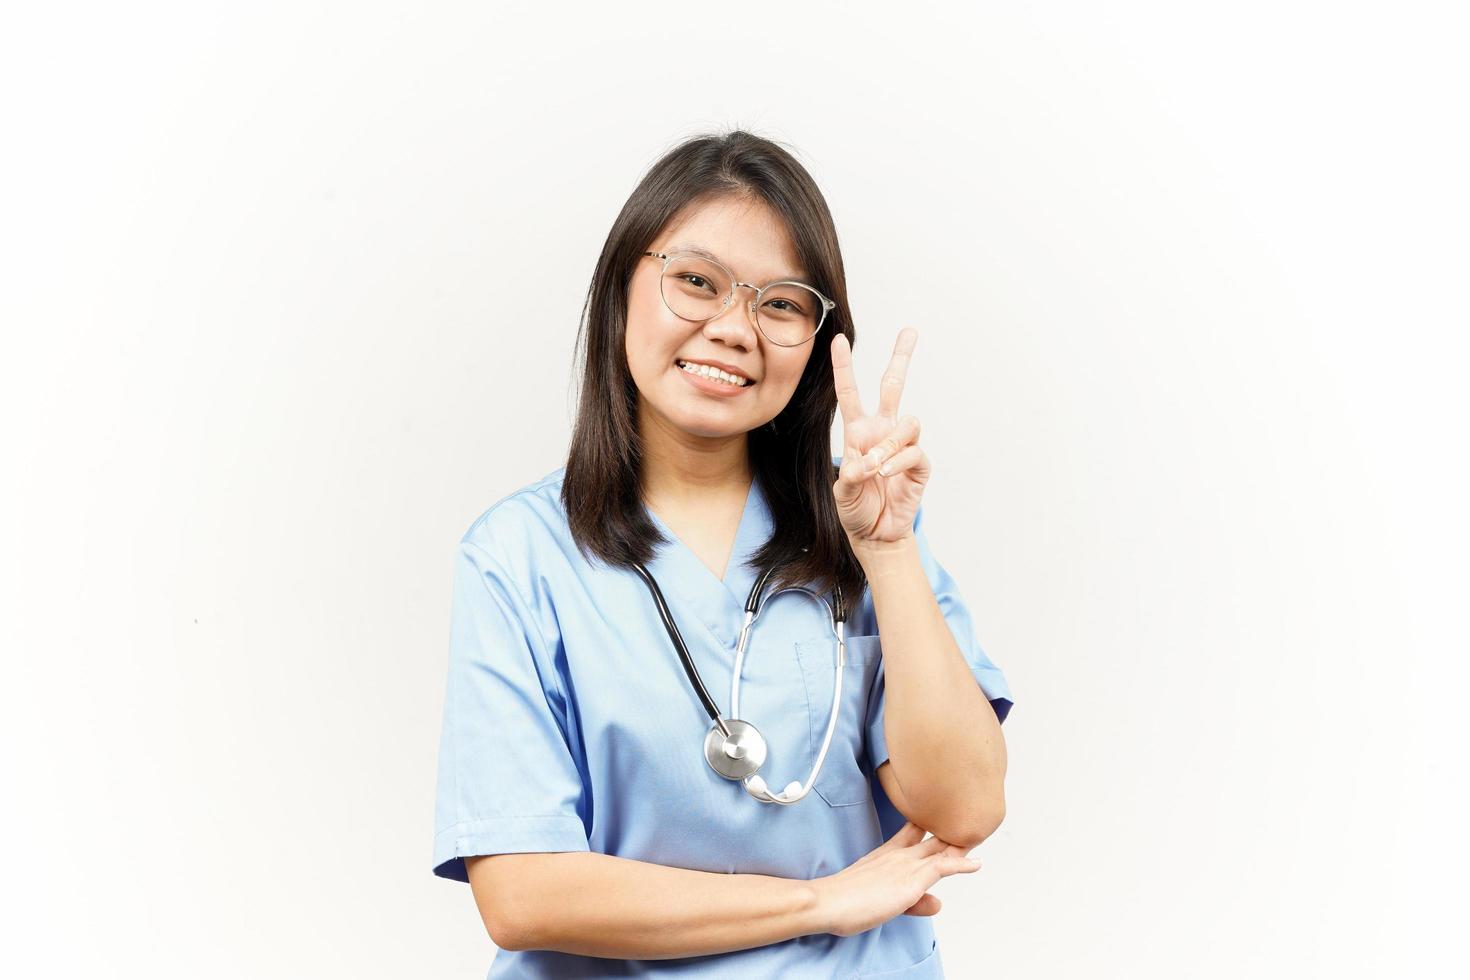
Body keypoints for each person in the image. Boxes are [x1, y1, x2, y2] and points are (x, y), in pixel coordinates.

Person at [431, 129, 1015, 978]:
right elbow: (523, 894)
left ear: (815, 341)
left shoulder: (866, 525)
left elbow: (964, 805)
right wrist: (819, 902)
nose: (735, 328)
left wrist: (887, 553)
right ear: (621, 289)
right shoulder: (518, 557)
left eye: (780, 303)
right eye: (696, 282)